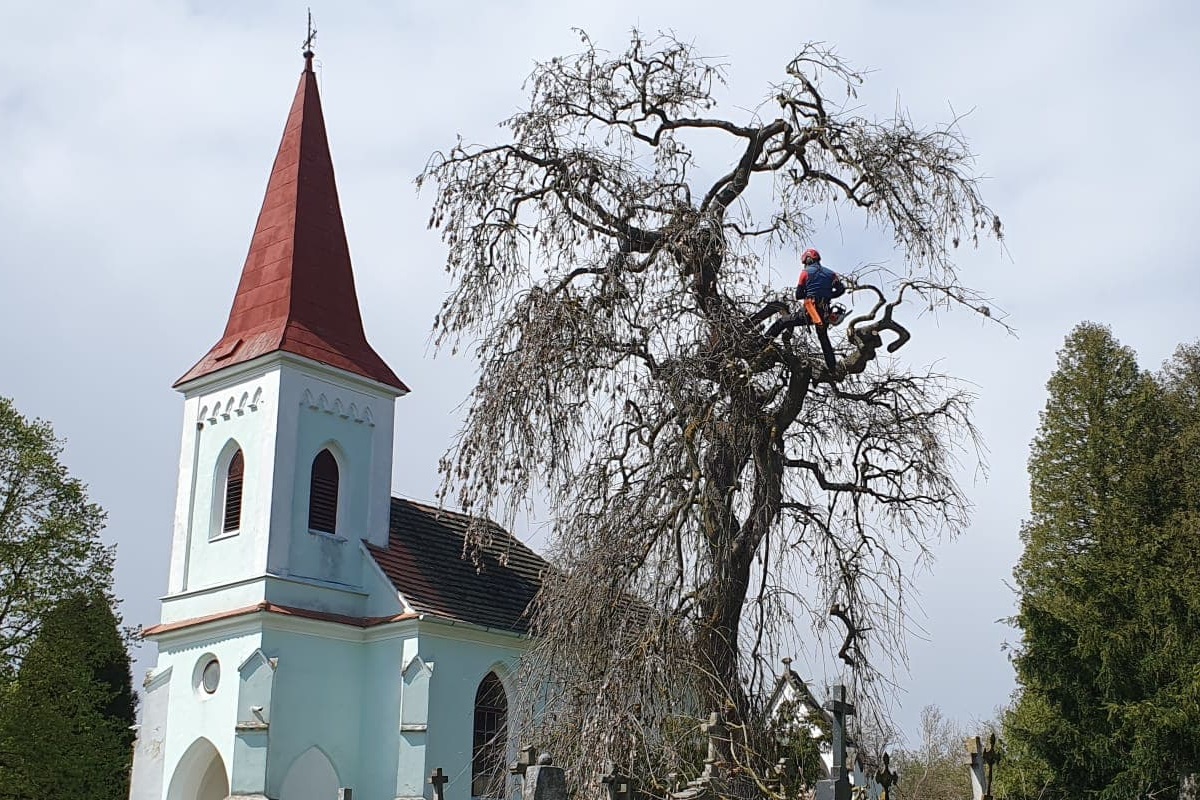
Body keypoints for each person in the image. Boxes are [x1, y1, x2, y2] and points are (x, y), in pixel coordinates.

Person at [763, 248, 845, 370]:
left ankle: (762, 343)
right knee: (823, 337)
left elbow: (799, 295)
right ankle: (832, 367)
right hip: (824, 313)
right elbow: (841, 290)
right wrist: (828, 295)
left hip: (810, 311)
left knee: (782, 322)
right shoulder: (831, 274)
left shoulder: (805, 273)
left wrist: (811, 293)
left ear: (808, 260)